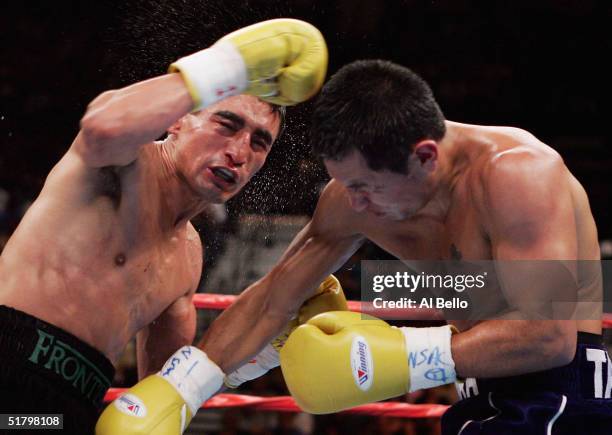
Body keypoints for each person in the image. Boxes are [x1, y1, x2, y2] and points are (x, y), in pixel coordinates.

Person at [108, 59, 610, 434]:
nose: (355, 204)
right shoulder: (351, 196)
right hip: (475, 393)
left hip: (563, 395)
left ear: (425, 156)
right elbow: (273, 298)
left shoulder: (518, 173)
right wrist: (180, 390)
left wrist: (395, 358)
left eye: (366, 187)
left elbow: (549, 336)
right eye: (344, 184)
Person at [0, 18, 328, 434]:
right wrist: (229, 65)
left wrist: (264, 346)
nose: (239, 152)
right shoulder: (121, 164)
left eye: (259, 142)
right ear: (178, 120)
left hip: (70, 411)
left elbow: (164, 392)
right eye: (227, 125)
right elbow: (102, 124)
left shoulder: (188, 257)